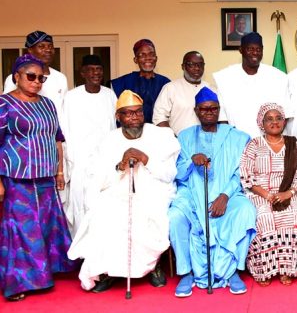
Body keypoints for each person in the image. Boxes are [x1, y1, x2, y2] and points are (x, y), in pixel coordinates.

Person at [67, 90, 180, 292]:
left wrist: (146, 159)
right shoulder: (109, 141)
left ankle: (152, 267)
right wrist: (120, 166)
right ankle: (110, 270)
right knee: (103, 215)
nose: (134, 117)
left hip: (154, 191)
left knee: (146, 216)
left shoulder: (161, 135)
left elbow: (169, 174)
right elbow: (99, 178)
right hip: (118, 190)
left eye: (138, 112)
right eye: (128, 113)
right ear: (118, 117)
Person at [0, 54, 74, 302]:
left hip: (45, 176)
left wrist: (60, 170)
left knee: (45, 225)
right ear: (16, 77)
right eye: (31, 76)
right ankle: (19, 281)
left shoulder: (48, 104)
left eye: (41, 77)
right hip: (17, 177)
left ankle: (45, 273)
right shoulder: (4, 105)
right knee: (23, 229)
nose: (37, 81)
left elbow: (57, 138)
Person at [169, 87, 256, 297]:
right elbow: (178, 174)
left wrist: (225, 196)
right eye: (204, 109)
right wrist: (191, 161)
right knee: (175, 216)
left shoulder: (237, 137)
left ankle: (233, 269)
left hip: (228, 193)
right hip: (192, 192)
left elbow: (240, 173)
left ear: (219, 110)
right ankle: (186, 272)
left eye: (213, 109)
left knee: (246, 211)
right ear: (196, 111)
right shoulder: (184, 137)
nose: (209, 112)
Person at [240, 103, 297, 287]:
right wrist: (268, 195)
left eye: (278, 118)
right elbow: (246, 176)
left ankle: (287, 268)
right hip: (260, 193)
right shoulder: (254, 144)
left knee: (294, 216)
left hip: (289, 192)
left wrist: (288, 193)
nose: (274, 122)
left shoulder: (294, 144)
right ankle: (264, 270)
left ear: (284, 121)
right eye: (269, 119)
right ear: (262, 123)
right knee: (265, 216)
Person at [61, 55, 117, 237]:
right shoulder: (71, 97)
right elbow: (65, 129)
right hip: (80, 163)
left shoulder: (109, 95)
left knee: (104, 206)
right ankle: (81, 252)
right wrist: (67, 165)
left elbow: (114, 127)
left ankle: (101, 249)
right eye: (91, 69)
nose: (96, 73)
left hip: (105, 162)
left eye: (99, 69)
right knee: (79, 207)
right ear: (83, 72)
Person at [213, 32, 289, 138]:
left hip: (269, 144)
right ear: (241, 50)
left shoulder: (278, 77)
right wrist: (233, 142)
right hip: (236, 143)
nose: (255, 53)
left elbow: (286, 114)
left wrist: (272, 140)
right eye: (250, 49)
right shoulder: (224, 77)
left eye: (258, 50)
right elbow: (222, 118)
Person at [3, 31, 68, 120]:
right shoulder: (16, 77)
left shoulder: (60, 78)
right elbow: (7, 107)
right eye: (41, 46)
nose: (48, 50)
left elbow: (63, 110)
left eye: (50, 46)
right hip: (27, 129)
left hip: (54, 130)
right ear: (30, 50)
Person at [111, 39, 170, 124]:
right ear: (135, 59)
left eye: (151, 54)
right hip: (130, 133)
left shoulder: (165, 83)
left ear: (156, 58)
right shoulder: (122, 83)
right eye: (142, 55)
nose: (148, 58)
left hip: (158, 132)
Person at [153, 51, 210, 136]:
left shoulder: (211, 88)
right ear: (183, 66)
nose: (197, 68)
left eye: (200, 64)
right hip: (178, 143)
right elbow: (159, 118)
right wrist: (173, 139)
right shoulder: (170, 88)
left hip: (207, 142)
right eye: (191, 64)